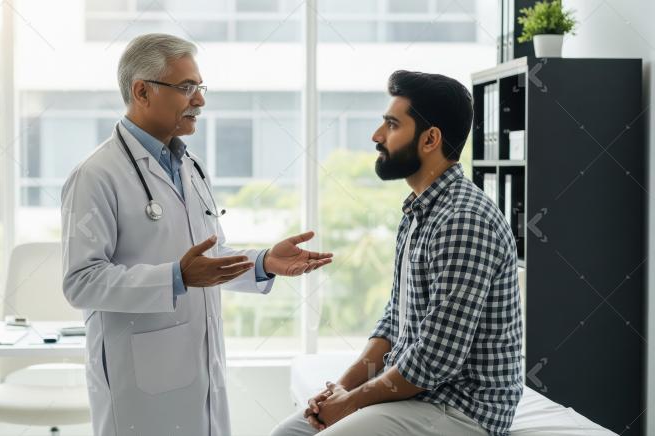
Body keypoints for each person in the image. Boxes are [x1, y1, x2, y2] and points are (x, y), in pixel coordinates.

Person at [61, 33, 333, 436]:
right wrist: (176, 278)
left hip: (200, 369)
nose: (200, 100)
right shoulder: (96, 176)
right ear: (142, 91)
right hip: (137, 382)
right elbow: (81, 282)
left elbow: (207, 259)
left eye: (199, 87)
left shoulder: (190, 166)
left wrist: (261, 262)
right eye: (186, 87)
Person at [270, 70, 524, 436]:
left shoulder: (464, 220)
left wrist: (352, 403)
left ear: (430, 139)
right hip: (416, 396)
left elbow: (436, 358)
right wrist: (340, 389)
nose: (377, 136)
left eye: (391, 124)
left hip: (460, 408)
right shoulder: (419, 212)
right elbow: (394, 321)